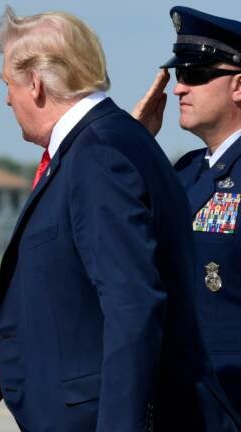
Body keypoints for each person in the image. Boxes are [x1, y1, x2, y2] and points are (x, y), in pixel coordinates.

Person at [0, 7, 240, 431]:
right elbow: (70, 289)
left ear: (35, 83)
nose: (6, 98)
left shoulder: (98, 154)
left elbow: (132, 306)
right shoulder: (100, 146)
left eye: (7, 84)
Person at [132, 5, 241, 417]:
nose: (179, 89)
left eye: (195, 76)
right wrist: (133, 143)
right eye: (179, 77)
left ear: (238, 87)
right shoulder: (183, 172)